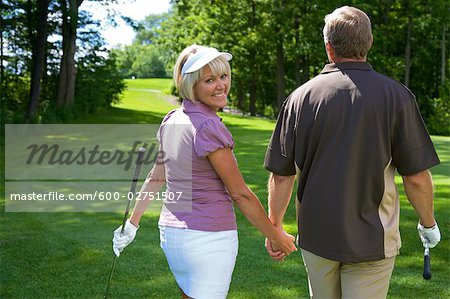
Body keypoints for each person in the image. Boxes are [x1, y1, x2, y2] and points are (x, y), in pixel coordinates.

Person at [263, 6, 441, 299]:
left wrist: (274, 228)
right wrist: (428, 224)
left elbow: (281, 176)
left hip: (317, 238)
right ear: (369, 42)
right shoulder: (396, 97)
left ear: (328, 47)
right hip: (373, 239)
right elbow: (417, 176)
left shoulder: (299, 98)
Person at [112, 44, 297, 299]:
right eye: (209, 80)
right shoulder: (208, 126)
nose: (221, 85)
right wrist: (276, 235)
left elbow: (156, 176)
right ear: (192, 85)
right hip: (208, 239)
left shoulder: (172, 119)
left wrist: (132, 224)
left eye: (224, 76)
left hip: (172, 236)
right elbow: (240, 194)